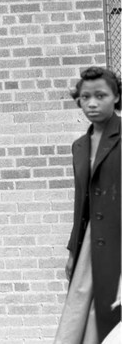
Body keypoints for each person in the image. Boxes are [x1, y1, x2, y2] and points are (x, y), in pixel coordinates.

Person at [54, 67, 121, 343]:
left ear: (116, 97)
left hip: (119, 239)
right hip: (90, 245)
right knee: (79, 317)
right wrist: (73, 250)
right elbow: (80, 201)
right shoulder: (79, 146)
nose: (92, 103)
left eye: (100, 95)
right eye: (85, 97)